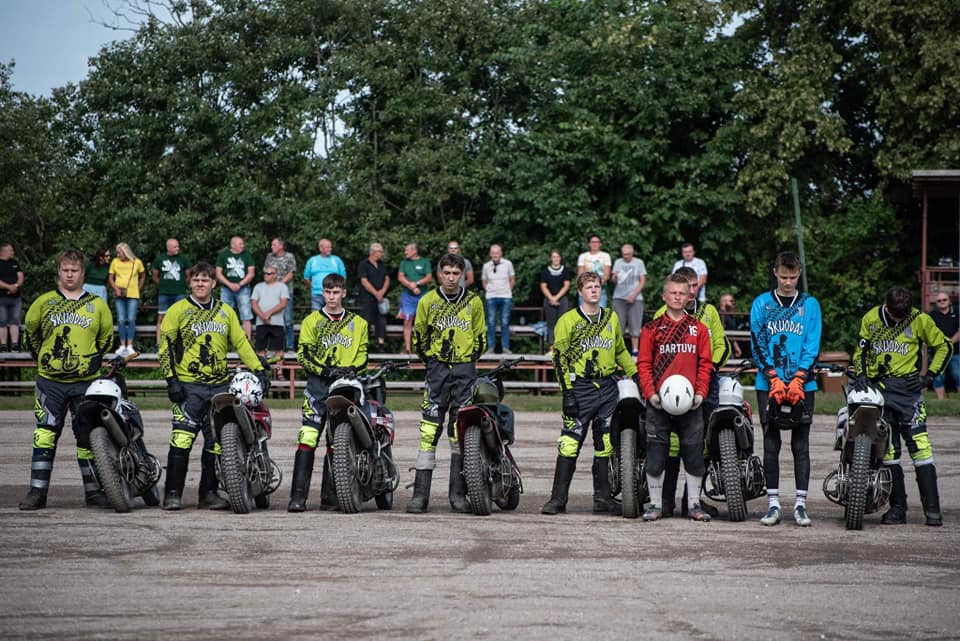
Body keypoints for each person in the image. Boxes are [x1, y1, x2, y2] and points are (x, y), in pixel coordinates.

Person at [158, 262, 270, 510]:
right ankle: (172, 494)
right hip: (188, 386)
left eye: (205, 280)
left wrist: (259, 369)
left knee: (217, 442)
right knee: (182, 439)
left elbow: (241, 343)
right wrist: (171, 380)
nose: (200, 284)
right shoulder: (177, 310)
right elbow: (165, 347)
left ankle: (208, 494)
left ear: (213, 283)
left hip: (219, 387)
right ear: (190, 282)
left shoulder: (225, 311)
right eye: (196, 279)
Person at [18, 249, 115, 510]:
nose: (70, 274)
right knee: (44, 435)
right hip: (51, 383)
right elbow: (31, 336)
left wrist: (91, 359)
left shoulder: (97, 304)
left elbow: (106, 338)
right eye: (65, 270)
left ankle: (93, 492)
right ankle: (37, 492)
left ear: (83, 274)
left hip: (86, 383)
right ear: (58, 273)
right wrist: (45, 359)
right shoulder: (44, 302)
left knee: (88, 437)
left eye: (75, 270)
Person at [853, 286, 952, 526]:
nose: (898, 321)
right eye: (894, 316)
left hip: (909, 393)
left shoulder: (920, 319)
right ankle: (898, 508)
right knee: (888, 451)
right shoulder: (871, 318)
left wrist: (930, 376)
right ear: (886, 307)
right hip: (880, 392)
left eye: (902, 317)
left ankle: (933, 510)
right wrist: (861, 374)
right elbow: (861, 351)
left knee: (921, 448)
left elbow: (945, 346)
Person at [542, 271, 638, 516]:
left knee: (605, 444)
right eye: (589, 287)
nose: (594, 290)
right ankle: (557, 499)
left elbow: (620, 351)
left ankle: (603, 498)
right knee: (569, 443)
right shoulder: (568, 320)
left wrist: (635, 374)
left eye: (597, 286)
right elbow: (560, 359)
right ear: (580, 291)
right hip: (580, 388)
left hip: (607, 387)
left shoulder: (611, 317)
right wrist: (567, 392)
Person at [406, 253, 485, 513]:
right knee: (429, 429)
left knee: (459, 430)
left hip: (464, 370)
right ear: (439, 274)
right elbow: (419, 337)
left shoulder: (473, 302)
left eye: (455, 273)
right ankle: (420, 496)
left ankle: (457, 495)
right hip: (437, 370)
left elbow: (480, 337)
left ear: (462, 275)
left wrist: (467, 360)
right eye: (447, 273)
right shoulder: (428, 301)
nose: (451, 278)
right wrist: (432, 361)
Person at [749, 252, 821, 527]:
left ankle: (801, 505)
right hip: (768, 383)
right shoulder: (762, 304)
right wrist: (772, 377)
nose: (788, 282)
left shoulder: (809, 304)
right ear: (775, 273)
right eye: (783, 277)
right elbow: (757, 342)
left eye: (792, 277)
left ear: (799, 273)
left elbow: (812, 342)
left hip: (803, 383)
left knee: (801, 445)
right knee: (771, 443)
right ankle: (773, 504)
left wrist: (799, 378)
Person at [636, 273, 714, 522]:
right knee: (656, 456)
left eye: (683, 293)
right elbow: (643, 364)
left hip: (691, 405)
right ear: (664, 296)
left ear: (689, 296)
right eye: (673, 293)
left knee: (693, 455)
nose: (678, 297)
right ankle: (655, 505)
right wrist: (650, 393)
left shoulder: (698, 329)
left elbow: (705, 364)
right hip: (659, 403)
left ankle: (694, 505)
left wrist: (700, 392)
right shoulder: (651, 329)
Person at [654, 266, 731, 517]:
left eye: (695, 285)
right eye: (687, 286)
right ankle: (665, 500)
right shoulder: (662, 313)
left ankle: (693, 500)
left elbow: (721, 344)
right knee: (670, 442)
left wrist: (710, 368)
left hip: (704, 383)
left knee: (701, 442)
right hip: (672, 384)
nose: (691, 290)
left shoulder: (709, 312)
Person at [288, 273, 368, 512]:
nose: (332, 297)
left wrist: (352, 368)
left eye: (336, 292)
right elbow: (303, 355)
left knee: (337, 440)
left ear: (344, 293)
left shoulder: (359, 323)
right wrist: (325, 370)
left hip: (345, 388)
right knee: (308, 437)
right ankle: (297, 498)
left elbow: (363, 354)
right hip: (318, 387)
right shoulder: (311, 321)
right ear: (322, 293)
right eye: (327, 292)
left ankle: (330, 497)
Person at [152, 238, 191, 350]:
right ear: (168, 248)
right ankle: (159, 344)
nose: (177, 248)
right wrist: (163, 286)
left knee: (181, 317)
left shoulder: (183, 259)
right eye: (175, 247)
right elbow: (155, 276)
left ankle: (180, 344)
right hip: (164, 293)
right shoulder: (160, 259)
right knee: (162, 318)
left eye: (178, 246)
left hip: (180, 293)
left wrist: (182, 285)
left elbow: (188, 275)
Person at [108, 242, 146, 357]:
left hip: (133, 294)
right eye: (117, 252)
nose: (118, 254)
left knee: (131, 319)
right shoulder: (115, 262)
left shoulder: (137, 262)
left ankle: (129, 345)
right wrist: (116, 289)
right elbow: (111, 278)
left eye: (119, 252)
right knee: (120, 320)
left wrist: (139, 288)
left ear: (126, 252)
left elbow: (143, 275)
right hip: (119, 294)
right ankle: (122, 345)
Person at [215, 235, 256, 340]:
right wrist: (229, 284)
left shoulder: (247, 255)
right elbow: (218, 273)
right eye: (240, 244)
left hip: (243, 288)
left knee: (246, 315)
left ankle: (247, 341)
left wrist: (239, 284)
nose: (243, 246)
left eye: (243, 243)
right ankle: (222, 340)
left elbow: (251, 273)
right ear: (233, 245)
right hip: (226, 289)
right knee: (223, 314)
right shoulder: (223, 255)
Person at [396, 242, 432, 354]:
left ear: (414, 251)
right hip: (408, 296)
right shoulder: (404, 263)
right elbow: (400, 277)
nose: (405, 252)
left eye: (407, 250)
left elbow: (429, 277)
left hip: (423, 295)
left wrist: (417, 283)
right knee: (407, 321)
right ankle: (407, 348)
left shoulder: (425, 262)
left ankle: (424, 347)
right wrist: (410, 286)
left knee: (424, 321)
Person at [611, 243, 647, 356]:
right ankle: (619, 352)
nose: (626, 256)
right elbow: (613, 280)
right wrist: (614, 277)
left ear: (632, 253)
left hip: (636, 298)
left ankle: (635, 352)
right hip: (619, 297)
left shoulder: (639, 262)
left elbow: (642, 281)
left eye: (628, 254)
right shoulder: (618, 262)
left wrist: (633, 295)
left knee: (635, 327)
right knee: (618, 326)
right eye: (624, 254)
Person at [263, 237, 297, 351]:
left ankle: (290, 347)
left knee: (288, 320)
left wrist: (279, 285)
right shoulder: (269, 257)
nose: (271, 247)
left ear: (280, 246)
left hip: (286, 293)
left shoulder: (289, 257)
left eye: (274, 245)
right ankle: (272, 346)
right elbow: (266, 272)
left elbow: (291, 273)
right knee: (271, 320)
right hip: (270, 294)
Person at [481, 244, 515, 354]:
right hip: (491, 297)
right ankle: (491, 348)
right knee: (491, 322)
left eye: (497, 253)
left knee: (505, 322)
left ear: (501, 253)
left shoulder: (508, 264)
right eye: (493, 253)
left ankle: (505, 347)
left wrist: (507, 290)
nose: (495, 255)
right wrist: (489, 290)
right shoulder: (486, 266)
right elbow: (484, 281)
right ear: (490, 254)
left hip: (505, 297)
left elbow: (512, 279)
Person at [357, 242, 390, 349]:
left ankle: (381, 345)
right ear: (373, 252)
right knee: (366, 321)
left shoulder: (382, 265)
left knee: (382, 320)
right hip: (367, 298)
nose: (382, 254)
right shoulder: (363, 264)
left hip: (380, 298)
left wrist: (382, 292)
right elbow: (364, 281)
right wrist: (376, 293)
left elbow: (387, 279)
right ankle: (363, 345)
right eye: (380, 251)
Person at [539, 249, 573, 352]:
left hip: (562, 299)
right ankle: (551, 349)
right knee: (551, 324)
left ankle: (562, 348)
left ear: (560, 258)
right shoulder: (545, 271)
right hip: (548, 299)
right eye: (554, 257)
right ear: (551, 258)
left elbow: (566, 285)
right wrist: (551, 298)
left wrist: (556, 297)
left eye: (557, 256)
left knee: (562, 324)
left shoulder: (565, 270)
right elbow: (543, 286)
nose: (556, 259)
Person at [251, 266, 288, 358]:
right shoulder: (258, 286)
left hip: (277, 323)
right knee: (260, 349)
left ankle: (278, 368)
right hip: (261, 323)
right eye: (265, 273)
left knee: (278, 350)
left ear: (275, 275)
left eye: (269, 273)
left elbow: (283, 303)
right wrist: (263, 316)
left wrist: (268, 313)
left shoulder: (282, 287)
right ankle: (262, 367)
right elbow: (254, 303)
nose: (266, 275)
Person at [929, 292, 959, 399]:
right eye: (939, 300)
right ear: (936, 303)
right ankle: (941, 400)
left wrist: (949, 343)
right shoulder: (932, 315)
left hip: (955, 351)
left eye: (944, 299)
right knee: (938, 377)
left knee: (958, 375)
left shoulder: (957, 313)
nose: (942, 302)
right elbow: (929, 332)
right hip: (937, 352)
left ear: (949, 301)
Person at [303, 238, 346, 312]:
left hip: (333, 294)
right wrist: (314, 287)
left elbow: (343, 278)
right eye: (328, 247)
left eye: (330, 247)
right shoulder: (312, 260)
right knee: (316, 316)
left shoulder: (336, 260)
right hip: (317, 294)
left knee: (333, 314)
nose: (330, 249)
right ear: (320, 248)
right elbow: (306, 278)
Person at [0, 242, 24, 351]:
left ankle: (15, 344)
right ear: (3, 251)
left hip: (16, 298)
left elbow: (21, 277)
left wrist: (15, 286)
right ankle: (3, 345)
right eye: (10, 250)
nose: (13, 252)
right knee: (2, 321)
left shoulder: (14, 263)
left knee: (15, 320)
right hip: (1, 298)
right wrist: (8, 287)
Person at [577, 234, 612, 307]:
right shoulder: (583, 256)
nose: (595, 244)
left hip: (600, 289)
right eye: (593, 242)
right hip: (586, 289)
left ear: (600, 244)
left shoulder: (606, 256)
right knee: (584, 312)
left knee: (600, 312)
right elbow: (580, 274)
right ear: (589, 244)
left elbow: (607, 275)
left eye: (597, 242)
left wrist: (596, 285)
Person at [719, 293, 743, 358]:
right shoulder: (720, 314)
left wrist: (736, 346)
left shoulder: (731, 315)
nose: (733, 303)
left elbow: (731, 333)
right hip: (721, 346)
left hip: (729, 346)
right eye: (731, 301)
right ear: (724, 302)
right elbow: (722, 328)